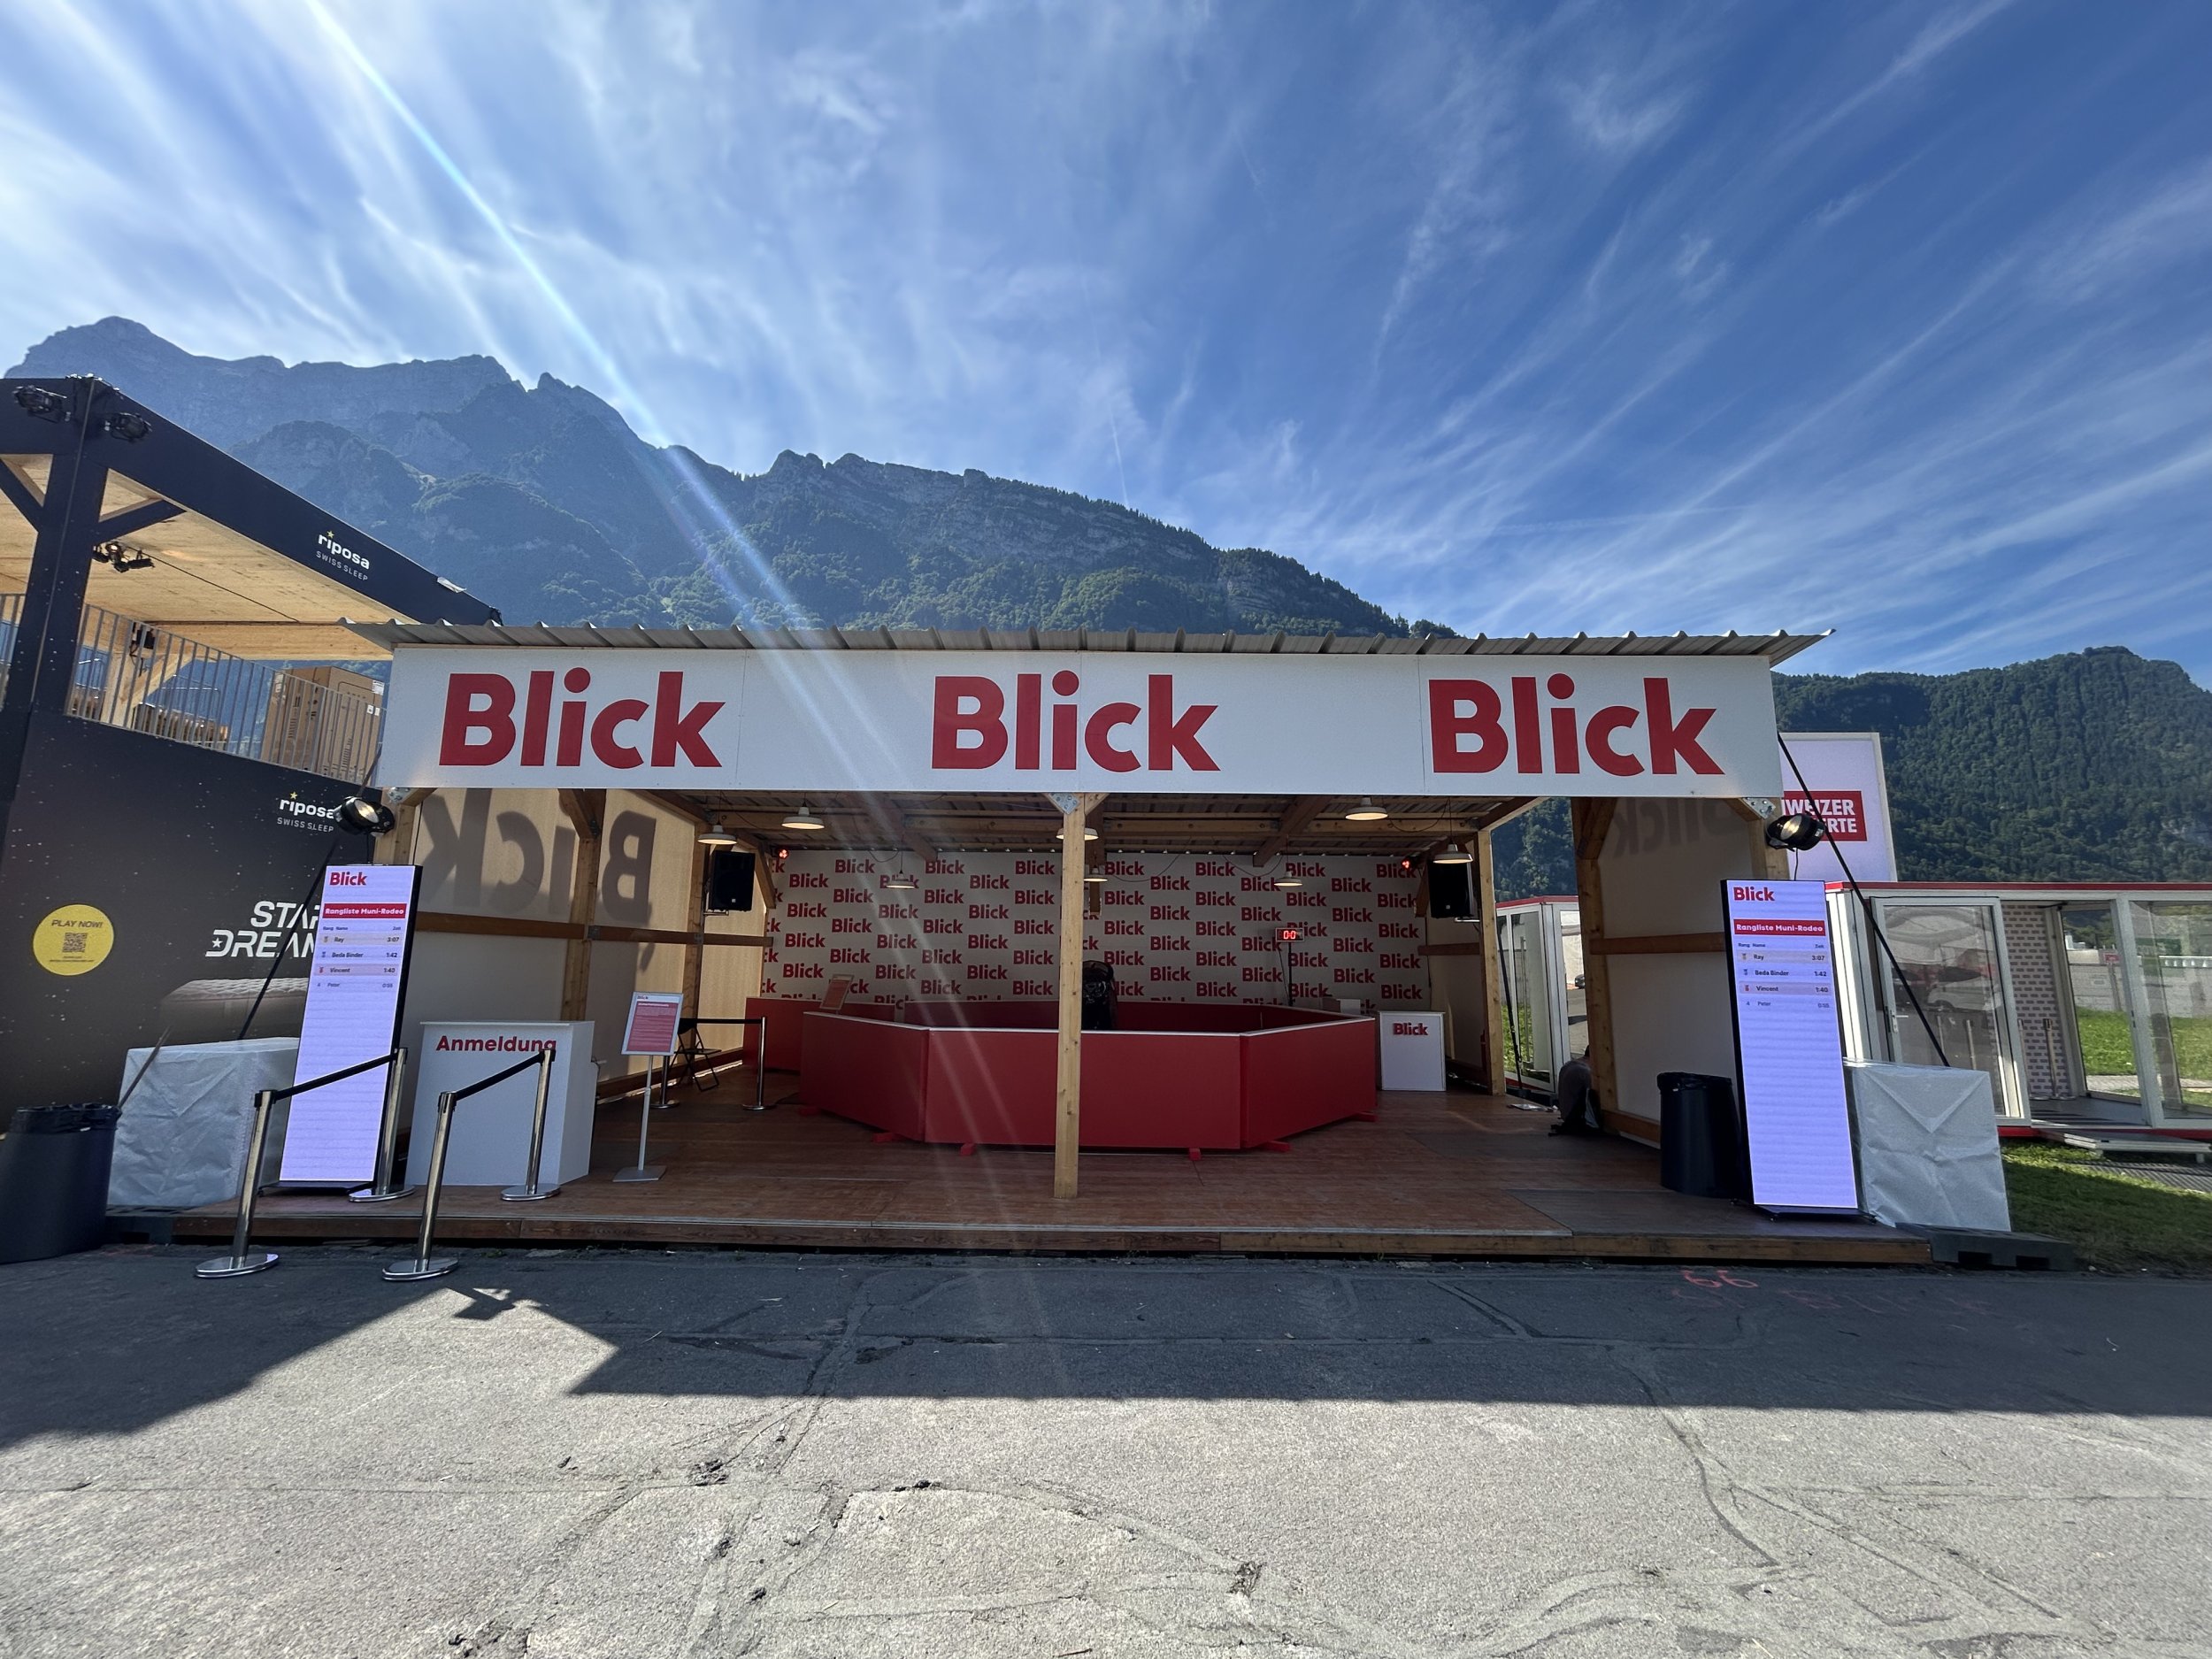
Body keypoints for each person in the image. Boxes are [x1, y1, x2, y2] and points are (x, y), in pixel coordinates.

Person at [1551, 1049, 1600, 1136]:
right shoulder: (1586, 1071)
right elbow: (1596, 1093)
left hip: (1566, 1115)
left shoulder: (1568, 1065)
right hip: (1576, 1119)